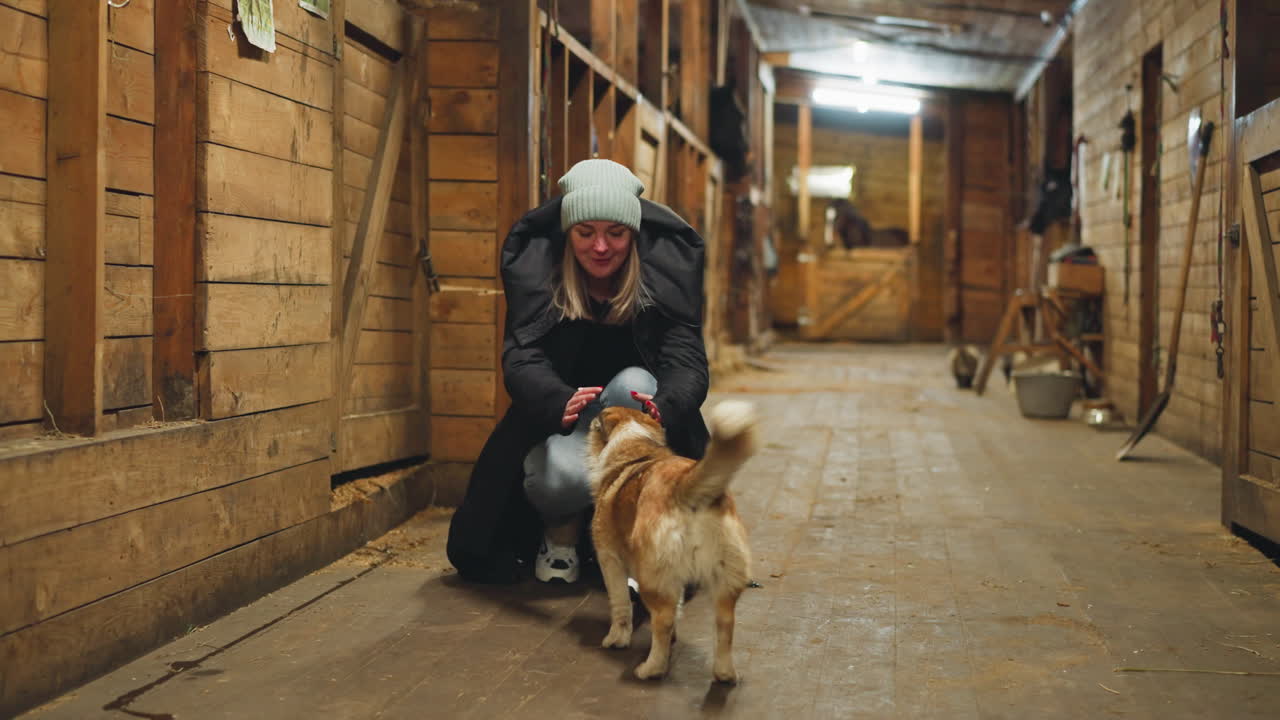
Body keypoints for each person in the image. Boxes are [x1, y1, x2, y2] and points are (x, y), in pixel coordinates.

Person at [446, 158, 711, 584]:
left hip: (642, 429)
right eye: (586, 233)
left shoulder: (661, 284)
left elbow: (687, 361)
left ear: (634, 235)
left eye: (617, 233)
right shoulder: (544, 280)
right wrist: (555, 399)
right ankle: (560, 535)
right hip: (567, 427)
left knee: (634, 384)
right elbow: (522, 357)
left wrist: (666, 404)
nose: (601, 247)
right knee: (557, 475)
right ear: (568, 235)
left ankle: (635, 542)